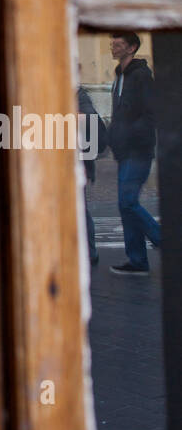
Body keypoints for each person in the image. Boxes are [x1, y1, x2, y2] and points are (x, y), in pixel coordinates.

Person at [106, 31, 161, 275]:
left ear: (131, 48)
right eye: (111, 44)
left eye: (117, 45)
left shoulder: (141, 76)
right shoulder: (120, 75)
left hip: (138, 149)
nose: (112, 48)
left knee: (127, 202)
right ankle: (137, 261)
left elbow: (151, 115)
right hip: (124, 150)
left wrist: (128, 134)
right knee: (125, 205)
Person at [78, 80, 108, 267]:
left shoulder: (77, 94)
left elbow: (88, 119)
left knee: (79, 208)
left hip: (75, 161)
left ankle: (89, 252)